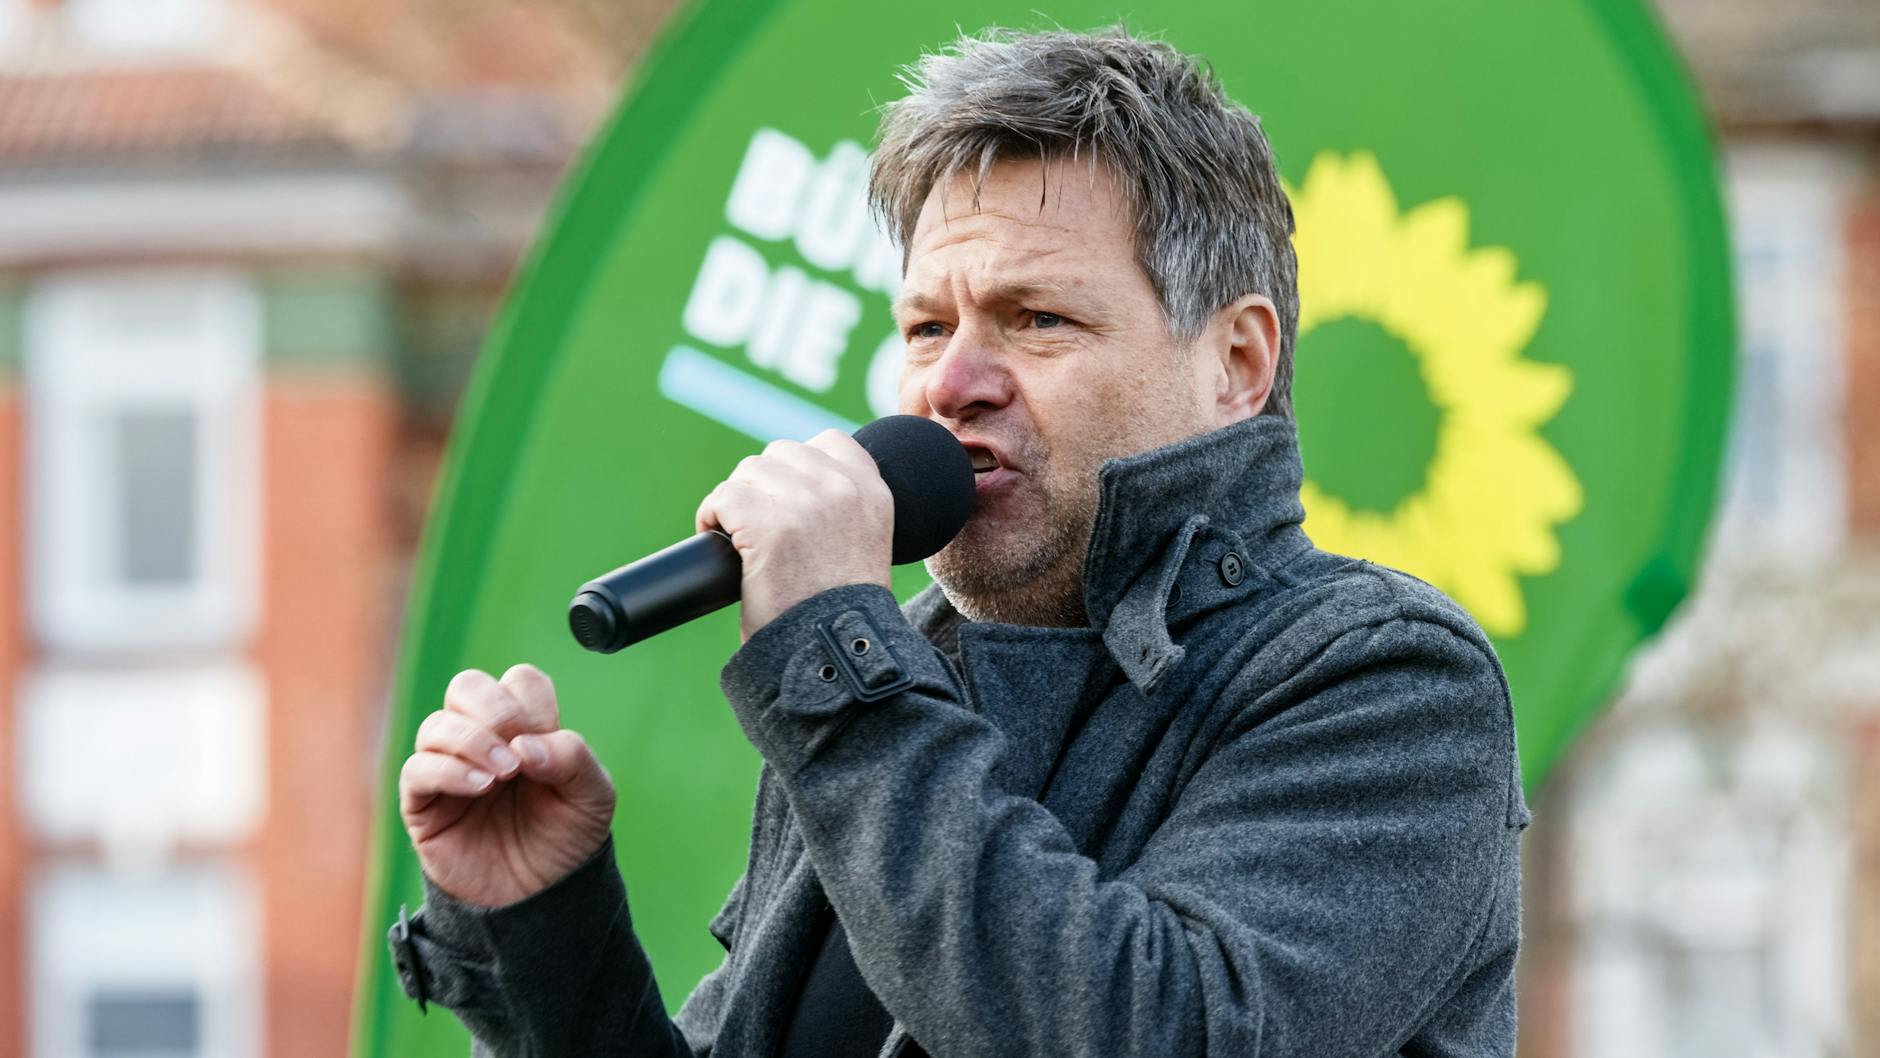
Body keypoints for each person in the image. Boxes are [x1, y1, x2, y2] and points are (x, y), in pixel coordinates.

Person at [386, 26, 1529, 1058]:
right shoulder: (898, 679)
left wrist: (836, 667)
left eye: (1037, 319)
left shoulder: (1381, 677)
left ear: (1235, 362)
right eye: (926, 325)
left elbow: (1157, 1030)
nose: (951, 382)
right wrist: (539, 927)